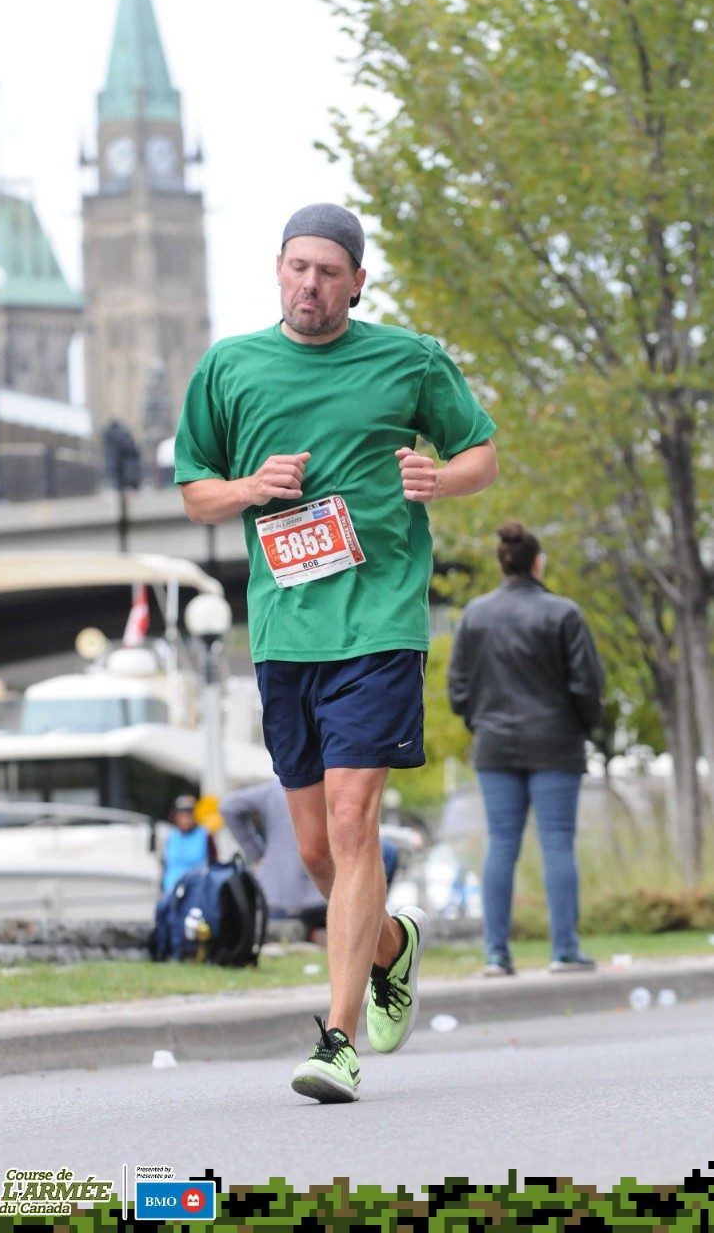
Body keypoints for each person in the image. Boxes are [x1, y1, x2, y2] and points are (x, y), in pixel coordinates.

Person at [175, 202, 497, 1103]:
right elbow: (196, 493)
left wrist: (441, 476)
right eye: (297, 267)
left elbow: (481, 454)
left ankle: (338, 1040)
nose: (310, 284)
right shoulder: (229, 368)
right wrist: (248, 485)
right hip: (286, 635)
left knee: (356, 824)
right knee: (316, 852)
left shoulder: (410, 359)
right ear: (277, 269)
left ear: (358, 281)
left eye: (329, 271)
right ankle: (393, 947)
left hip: (381, 624)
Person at [447, 521, 605, 978]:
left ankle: (496, 954)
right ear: (538, 563)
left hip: (494, 745)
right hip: (556, 743)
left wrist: (480, 720)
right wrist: (583, 725)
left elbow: (457, 688)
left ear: (504, 562)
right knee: (558, 844)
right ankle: (564, 951)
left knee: (501, 845)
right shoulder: (564, 614)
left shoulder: (474, 615)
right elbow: (587, 685)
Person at [220, 778, 401, 941]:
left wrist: (257, 854)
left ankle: (305, 932)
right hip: (322, 903)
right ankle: (361, 922)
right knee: (388, 851)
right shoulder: (339, 790)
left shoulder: (275, 789)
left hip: (275, 902)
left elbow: (228, 806)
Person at [161, 794, 216, 895]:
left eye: (189, 814)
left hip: (196, 892)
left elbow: (214, 863)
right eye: (182, 815)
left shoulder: (205, 834)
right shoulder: (171, 835)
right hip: (171, 890)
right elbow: (165, 864)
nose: (186, 819)